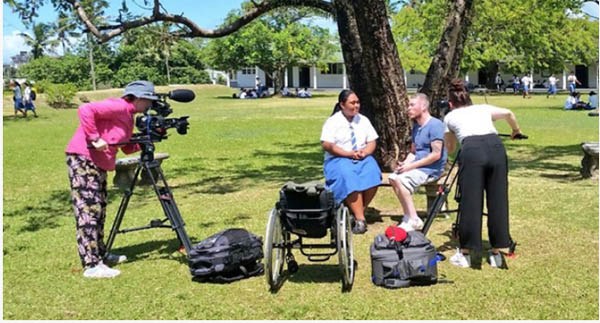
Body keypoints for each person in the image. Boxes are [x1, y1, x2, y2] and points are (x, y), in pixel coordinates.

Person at [65, 80, 158, 278]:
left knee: (100, 208)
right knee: (88, 210)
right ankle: (91, 265)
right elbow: (85, 109)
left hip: (98, 162)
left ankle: (101, 255)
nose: (149, 105)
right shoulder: (119, 106)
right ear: (139, 98)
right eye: (148, 101)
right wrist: (94, 138)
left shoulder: (129, 115)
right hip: (84, 158)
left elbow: (124, 146)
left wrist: (146, 141)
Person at [444, 79, 524, 269]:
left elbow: (450, 148)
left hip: (472, 150)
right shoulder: (482, 108)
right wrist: (516, 130)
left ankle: (465, 254)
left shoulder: (449, 117)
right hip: (496, 148)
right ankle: (496, 253)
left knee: (470, 201)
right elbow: (508, 113)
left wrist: (450, 146)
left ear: (450, 103)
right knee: (498, 200)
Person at [320, 89, 381, 234]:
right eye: (352, 103)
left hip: (361, 157)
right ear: (342, 104)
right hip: (338, 158)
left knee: (373, 172)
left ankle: (357, 212)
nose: (356, 106)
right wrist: (348, 154)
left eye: (358, 102)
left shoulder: (363, 120)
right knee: (349, 176)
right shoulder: (333, 122)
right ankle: (361, 220)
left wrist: (364, 152)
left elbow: (372, 141)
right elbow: (327, 145)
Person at [389, 93, 447, 232]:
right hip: (418, 166)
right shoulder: (416, 127)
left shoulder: (435, 125)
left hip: (431, 169)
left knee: (401, 180)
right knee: (393, 177)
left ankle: (414, 219)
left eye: (412, 105)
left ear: (424, 106)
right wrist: (404, 164)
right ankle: (408, 215)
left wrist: (410, 167)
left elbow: (436, 155)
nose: (408, 108)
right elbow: (413, 152)